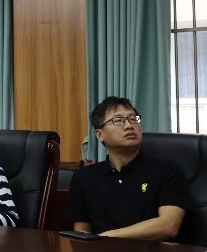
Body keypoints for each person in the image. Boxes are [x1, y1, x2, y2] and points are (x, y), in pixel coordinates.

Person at [66, 96, 192, 241]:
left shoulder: (168, 171)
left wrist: (103, 238)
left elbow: (168, 226)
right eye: (118, 120)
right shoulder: (84, 176)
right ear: (100, 135)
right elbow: (82, 232)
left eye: (133, 119)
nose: (129, 125)